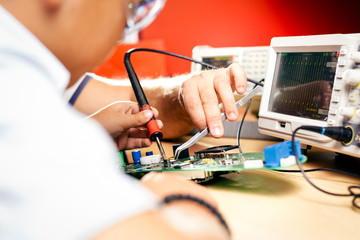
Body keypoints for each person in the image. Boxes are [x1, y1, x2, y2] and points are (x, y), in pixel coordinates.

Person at [0, 0, 247, 239]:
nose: (124, 26)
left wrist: (185, 95)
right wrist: (183, 199)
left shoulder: (27, 66)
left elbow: (131, 97)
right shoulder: (17, 104)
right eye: (131, 5)